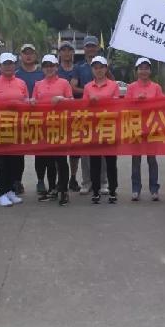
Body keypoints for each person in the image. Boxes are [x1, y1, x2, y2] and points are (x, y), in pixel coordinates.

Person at [0, 52, 30, 207]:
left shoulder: (21, 83)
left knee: (15, 161)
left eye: (11, 63)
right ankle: (1, 193)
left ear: (15, 65)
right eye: (5, 64)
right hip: (0, 128)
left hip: (17, 128)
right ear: (0, 66)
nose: (8, 66)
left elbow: (25, 101)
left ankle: (11, 190)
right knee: (1, 162)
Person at [31, 54, 74, 205]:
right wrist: (32, 101)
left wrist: (62, 99)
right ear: (42, 68)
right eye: (46, 66)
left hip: (60, 125)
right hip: (44, 126)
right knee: (48, 160)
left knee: (61, 160)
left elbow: (72, 101)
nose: (49, 68)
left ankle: (63, 190)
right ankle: (52, 189)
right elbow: (34, 101)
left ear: (57, 67)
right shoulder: (38, 84)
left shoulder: (64, 83)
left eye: (52, 66)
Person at [71, 35, 109, 195]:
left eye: (93, 46)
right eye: (88, 46)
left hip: (104, 116)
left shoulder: (106, 65)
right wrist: (89, 93)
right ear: (84, 48)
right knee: (85, 151)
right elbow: (73, 87)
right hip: (85, 114)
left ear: (97, 48)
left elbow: (112, 85)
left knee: (103, 152)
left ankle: (103, 182)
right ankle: (86, 182)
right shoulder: (78, 67)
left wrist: (100, 95)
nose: (91, 48)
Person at [83, 55, 121, 204]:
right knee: (95, 162)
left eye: (101, 67)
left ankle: (112, 190)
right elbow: (83, 108)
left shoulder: (113, 85)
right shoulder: (88, 87)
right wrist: (90, 103)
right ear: (92, 70)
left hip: (109, 127)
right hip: (94, 128)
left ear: (106, 69)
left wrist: (103, 102)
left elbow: (117, 104)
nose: (98, 70)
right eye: (95, 68)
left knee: (111, 162)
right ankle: (96, 191)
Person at [125, 57, 163, 201]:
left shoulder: (156, 87)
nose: (143, 71)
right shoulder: (131, 87)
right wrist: (136, 101)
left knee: (152, 160)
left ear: (150, 71)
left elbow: (163, 105)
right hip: (136, 127)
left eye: (146, 68)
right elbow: (126, 106)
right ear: (136, 71)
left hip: (152, 127)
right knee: (136, 160)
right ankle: (136, 189)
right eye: (141, 68)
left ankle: (154, 189)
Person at [16, 43, 44, 195]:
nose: (28, 56)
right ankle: (17, 181)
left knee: (40, 151)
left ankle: (41, 180)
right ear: (21, 56)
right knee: (18, 151)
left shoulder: (42, 73)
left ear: (35, 55)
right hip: (19, 119)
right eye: (25, 53)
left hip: (40, 118)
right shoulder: (15, 73)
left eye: (31, 53)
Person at [56, 41, 81, 193]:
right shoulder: (55, 69)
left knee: (75, 149)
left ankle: (73, 177)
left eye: (69, 50)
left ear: (73, 52)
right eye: (63, 50)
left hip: (76, 114)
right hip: (57, 116)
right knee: (59, 148)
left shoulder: (79, 69)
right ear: (59, 53)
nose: (66, 53)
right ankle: (61, 178)